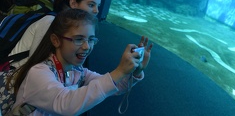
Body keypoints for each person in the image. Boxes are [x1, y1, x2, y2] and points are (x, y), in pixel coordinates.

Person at [9, 9, 152, 115]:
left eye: (91, 40)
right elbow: (66, 104)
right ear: (55, 40)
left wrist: (135, 70)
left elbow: (115, 86)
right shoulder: (39, 72)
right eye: (78, 39)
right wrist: (119, 70)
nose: (87, 46)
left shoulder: (77, 71)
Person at [8, 0, 102, 68]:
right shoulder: (50, 22)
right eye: (91, 5)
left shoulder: (68, 23)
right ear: (73, 3)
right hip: (18, 74)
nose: (96, 11)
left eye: (98, 6)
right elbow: (36, 63)